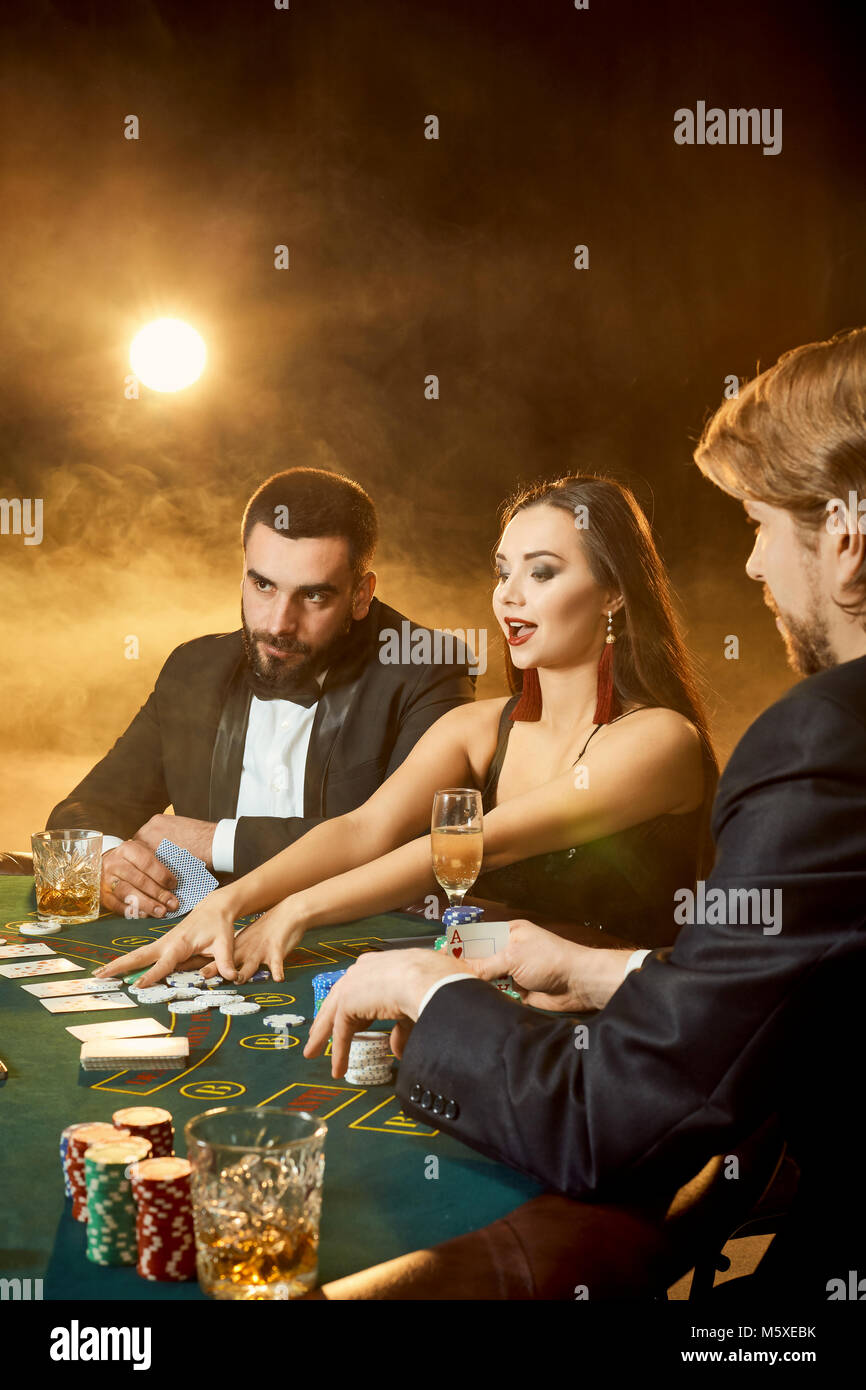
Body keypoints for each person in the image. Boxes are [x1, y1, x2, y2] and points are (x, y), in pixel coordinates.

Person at [303, 327, 866, 1299]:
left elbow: (607, 1122)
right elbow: (823, 987)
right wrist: (603, 967)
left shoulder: (819, 744)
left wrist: (427, 990)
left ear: (846, 534)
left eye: (758, 525)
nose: (750, 566)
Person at [98, 474, 717, 988]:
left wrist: (297, 910)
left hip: (624, 1024)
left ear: (612, 591)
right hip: (492, 1001)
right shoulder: (476, 728)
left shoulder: (659, 740)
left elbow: (471, 847)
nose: (509, 597)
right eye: (504, 572)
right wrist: (226, 904)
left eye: (543, 573)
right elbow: (365, 829)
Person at [48, 468, 475, 918]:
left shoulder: (428, 668)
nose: (277, 624)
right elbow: (84, 811)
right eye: (263, 585)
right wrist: (107, 861)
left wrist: (217, 842)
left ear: (361, 595)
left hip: (362, 953)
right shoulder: (193, 670)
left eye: (312, 596)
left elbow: (415, 849)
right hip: (207, 947)